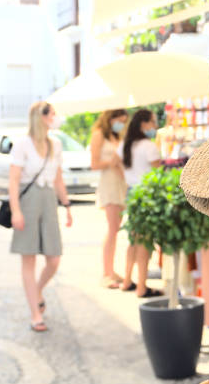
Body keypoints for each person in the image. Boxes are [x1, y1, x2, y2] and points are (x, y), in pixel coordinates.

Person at [8, 101, 73, 332]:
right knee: (29, 258)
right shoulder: (22, 145)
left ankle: (36, 290)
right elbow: (14, 180)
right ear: (42, 117)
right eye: (53, 114)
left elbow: (58, 178)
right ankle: (35, 313)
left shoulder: (55, 144)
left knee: (53, 258)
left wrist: (66, 204)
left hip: (48, 200)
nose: (55, 117)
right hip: (28, 201)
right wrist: (16, 210)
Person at [118, 109, 163, 298]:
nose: (155, 126)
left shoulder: (124, 145)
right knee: (145, 241)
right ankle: (142, 287)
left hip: (131, 193)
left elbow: (123, 172)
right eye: (153, 122)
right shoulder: (148, 146)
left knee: (133, 239)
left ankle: (127, 280)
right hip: (147, 194)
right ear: (143, 124)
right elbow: (158, 175)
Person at [90, 108, 129, 289]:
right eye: (119, 120)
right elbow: (94, 164)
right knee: (112, 228)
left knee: (116, 228)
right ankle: (106, 273)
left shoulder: (117, 136)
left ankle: (111, 270)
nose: (121, 123)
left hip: (120, 183)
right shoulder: (99, 135)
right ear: (110, 118)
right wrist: (111, 162)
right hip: (108, 184)